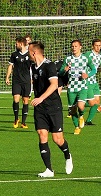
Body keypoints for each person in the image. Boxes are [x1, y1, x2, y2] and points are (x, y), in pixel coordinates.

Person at [28, 40, 73, 178]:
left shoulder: (49, 66)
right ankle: (49, 170)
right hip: (40, 108)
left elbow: (54, 84)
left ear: (34, 52)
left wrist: (41, 98)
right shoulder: (33, 67)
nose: (27, 54)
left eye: (29, 51)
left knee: (57, 139)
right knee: (42, 135)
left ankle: (67, 155)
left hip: (53, 106)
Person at [61, 39, 91, 135]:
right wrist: (64, 70)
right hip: (71, 87)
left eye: (76, 46)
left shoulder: (85, 58)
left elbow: (93, 69)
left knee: (81, 106)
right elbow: (60, 72)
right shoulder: (68, 59)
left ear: (80, 47)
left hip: (82, 86)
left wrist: (88, 75)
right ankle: (76, 127)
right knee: (72, 109)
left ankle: (81, 116)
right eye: (72, 46)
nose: (74, 48)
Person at [5, 35, 32, 129]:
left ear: (21, 44)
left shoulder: (30, 54)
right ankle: (16, 119)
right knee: (16, 99)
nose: (15, 45)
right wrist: (7, 77)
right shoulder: (14, 54)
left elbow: (34, 67)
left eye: (16, 43)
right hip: (16, 80)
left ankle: (23, 122)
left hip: (27, 81)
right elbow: (10, 66)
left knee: (25, 101)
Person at [83, 38, 101, 126]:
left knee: (97, 102)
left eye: (99, 46)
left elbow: (96, 70)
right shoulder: (88, 54)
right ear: (93, 46)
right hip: (87, 82)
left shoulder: (100, 57)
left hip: (94, 82)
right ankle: (79, 104)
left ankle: (88, 121)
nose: (98, 47)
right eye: (96, 45)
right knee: (92, 103)